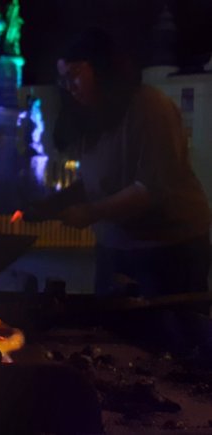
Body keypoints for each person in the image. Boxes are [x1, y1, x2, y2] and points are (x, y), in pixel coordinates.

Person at [17, 28, 211, 297]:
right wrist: (51, 205)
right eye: (63, 80)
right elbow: (92, 182)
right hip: (115, 247)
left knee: (166, 321)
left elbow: (150, 189)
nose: (69, 87)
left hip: (170, 249)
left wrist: (90, 213)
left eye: (74, 74)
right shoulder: (93, 118)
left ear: (101, 67)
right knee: (111, 320)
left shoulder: (150, 107)